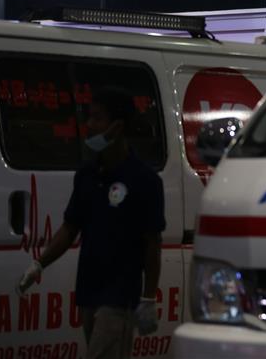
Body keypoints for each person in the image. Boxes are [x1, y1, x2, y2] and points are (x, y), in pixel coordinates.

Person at [17, 86, 165, 359]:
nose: (88, 125)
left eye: (97, 118)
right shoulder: (87, 175)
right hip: (88, 291)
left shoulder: (145, 180)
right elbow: (70, 227)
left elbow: (151, 244)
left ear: (117, 127)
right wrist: (39, 263)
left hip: (120, 296)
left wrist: (148, 298)